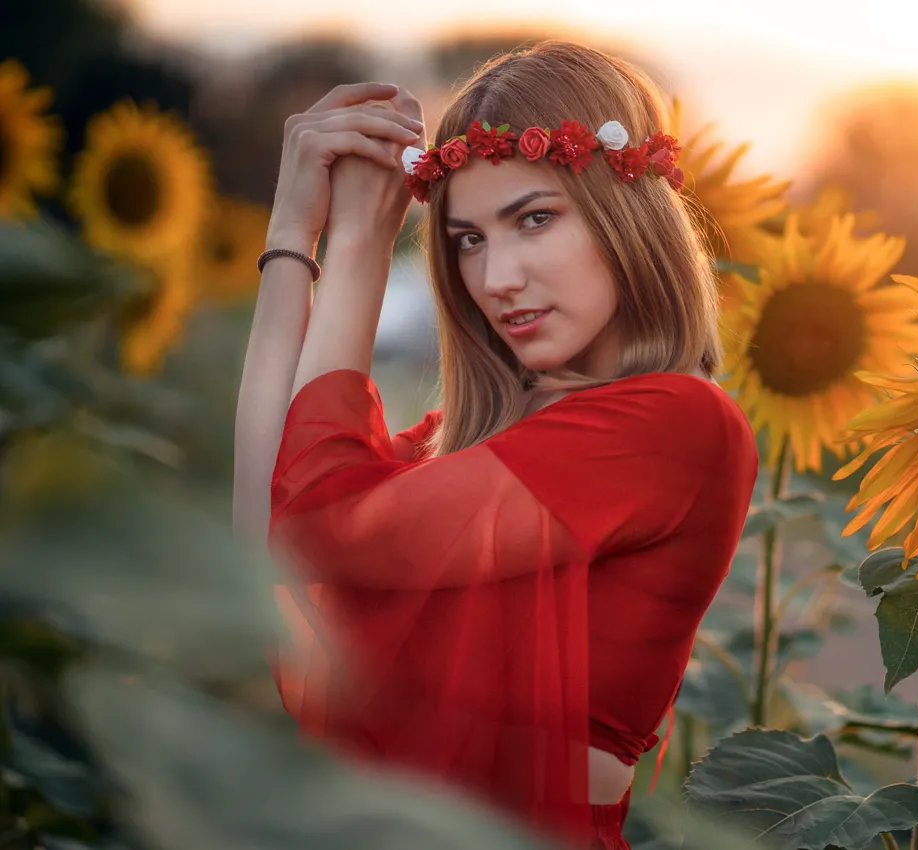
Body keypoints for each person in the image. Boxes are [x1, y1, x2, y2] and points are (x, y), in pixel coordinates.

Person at [232, 41, 758, 849]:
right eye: (467, 239)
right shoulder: (472, 442)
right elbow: (266, 532)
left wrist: (365, 248)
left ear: (627, 215)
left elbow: (313, 523)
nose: (495, 277)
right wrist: (294, 228)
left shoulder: (674, 424)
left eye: (534, 218)